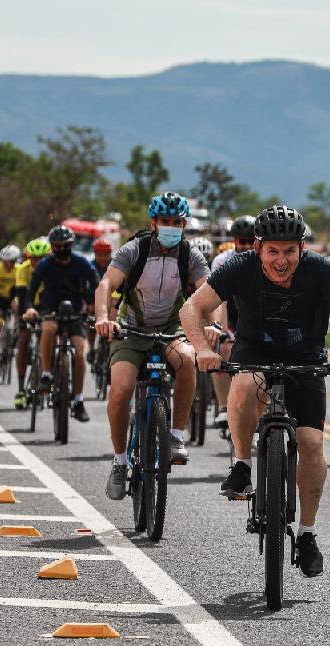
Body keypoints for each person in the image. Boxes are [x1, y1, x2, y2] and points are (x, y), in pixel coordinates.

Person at [180, 205, 330, 578]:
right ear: (258, 248)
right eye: (272, 251)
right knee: (245, 381)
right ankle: (241, 464)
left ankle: (308, 534)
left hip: (307, 357)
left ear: (301, 248)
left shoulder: (318, 269)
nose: (281, 260)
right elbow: (192, 308)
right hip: (255, 350)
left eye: (289, 251)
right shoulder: (238, 268)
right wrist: (202, 348)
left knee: (312, 443)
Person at [95, 191, 210, 496]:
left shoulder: (191, 256)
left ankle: (175, 435)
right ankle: (120, 461)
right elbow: (107, 284)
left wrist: (213, 325)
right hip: (132, 329)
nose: (171, 227)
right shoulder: (134, 250)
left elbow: (210, 293)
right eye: (164, 221)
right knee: (120, 390)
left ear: (184, 224)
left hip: (172, 328)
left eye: (177, 222)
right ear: (153, 222)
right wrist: (103, 318)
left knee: (188, 361)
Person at [22, 226, 96, 422]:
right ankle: (46, 374)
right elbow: (31, 291)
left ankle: (79, 401)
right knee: (48, 328)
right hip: (50, 307)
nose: (62, 249)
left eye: (66, 245)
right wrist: (30, 308)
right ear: (52, 247)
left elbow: (96, 283)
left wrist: (94, 305)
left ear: (71, 245)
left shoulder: (82, 263)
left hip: (75, 310)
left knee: (80, 352)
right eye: (57, 246)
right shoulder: (45, 265)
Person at [207, 215, 256, 426]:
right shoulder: (222, 261)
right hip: (230, 315)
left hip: (254, 315)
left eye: (249, 241)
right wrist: (221, 329)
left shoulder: (265, 259)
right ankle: (224, 407)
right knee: (223, 351)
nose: (245, 246)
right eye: (240, 241)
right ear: (234, 240)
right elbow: (220, 299)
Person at [12, 238, 50, 409]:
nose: (37, 262)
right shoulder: (22, 269)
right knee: (23, 340)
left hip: (45, 308)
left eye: (41, 258)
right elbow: (21, 295)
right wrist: (22, 317)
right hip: (27, 306)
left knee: (50, 338)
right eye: (33, 258)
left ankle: (49, 376)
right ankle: (21, 389)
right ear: (27, 257)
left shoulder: (52, 268)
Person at [0, 245, 20, 375]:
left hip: (13, 298)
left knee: (17, 305)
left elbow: (21, 289)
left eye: (11, 261)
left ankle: (17, 331)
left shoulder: (19, 269)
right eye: (5, 261)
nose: (8, 264)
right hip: (0, 299)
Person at [86, 238, 114, 364]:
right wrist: (88, 304)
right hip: (93, 300)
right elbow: (85, 288)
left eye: (106, 255)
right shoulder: (89, 267)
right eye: (100, 255)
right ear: (95, 254)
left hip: (113, 300)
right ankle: (91, 347)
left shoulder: (116, 266)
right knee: (90, 319)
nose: (103, 258)